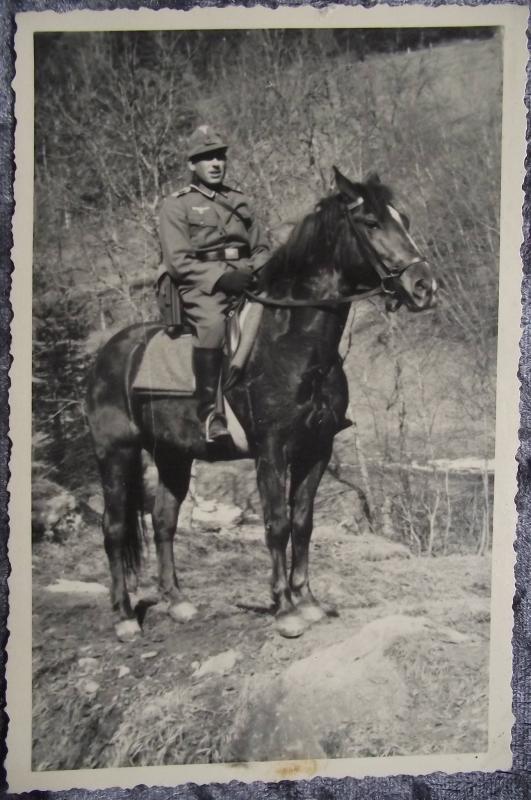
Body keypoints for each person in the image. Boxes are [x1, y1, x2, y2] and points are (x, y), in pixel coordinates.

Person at [158, 125, 270, 441]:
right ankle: (209, 413)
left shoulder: (240, 200)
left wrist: (256, 269)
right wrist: (222, 278)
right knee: (213, 325)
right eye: (206, 158)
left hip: (247, 279)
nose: (216, 163)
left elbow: (261, 247)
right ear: (192, 165)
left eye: (219, 156)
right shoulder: (176, 205)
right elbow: (178, 261)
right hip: (204, 287)